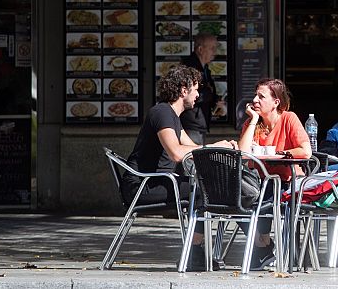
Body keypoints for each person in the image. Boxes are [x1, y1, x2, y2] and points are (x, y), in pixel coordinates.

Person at [120, 64, 237, 271]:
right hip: (142, 186)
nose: (198, 94)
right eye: (196, 89)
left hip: (155, 182)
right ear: (184, 90)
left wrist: (218, 146)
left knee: (207, 187)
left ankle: (197, 252)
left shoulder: (172, 116)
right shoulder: (162, 113)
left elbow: (191, 148)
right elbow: (176, 152)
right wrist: (214, 147)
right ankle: (194, 253)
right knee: (204, 190)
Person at [238, 78, 312, 270]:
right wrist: (253, 120)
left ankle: (264, 249)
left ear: (276, 102)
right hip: (262, 183)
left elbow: (306, 150)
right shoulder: (252, 123)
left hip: (290, 182)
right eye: (255, 95)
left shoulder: (289, 118)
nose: (255, 100)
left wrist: (280, 154)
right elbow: (244, 155)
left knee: (263, 197)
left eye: (261, 96)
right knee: (234, 198)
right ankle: (263, 247)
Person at [180, 32, 223, 145]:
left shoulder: (204, 67)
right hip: (191, 122)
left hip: (199, 121)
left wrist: (215, 100)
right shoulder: (189, 67)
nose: (215, 52)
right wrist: (210, 96)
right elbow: (188, 95)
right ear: (200, 49)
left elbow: (207, 90)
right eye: (212, 48)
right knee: (192, 158)